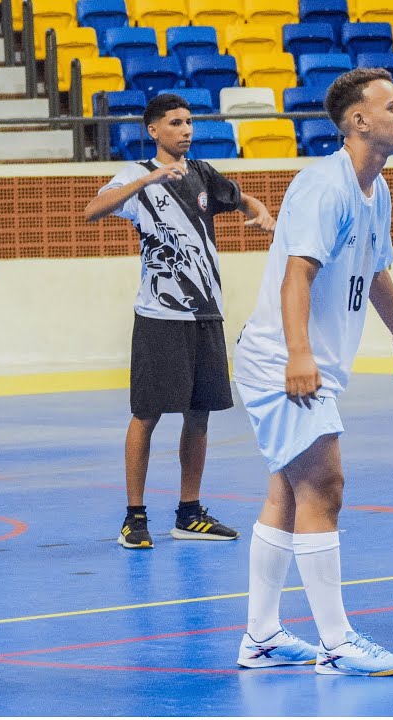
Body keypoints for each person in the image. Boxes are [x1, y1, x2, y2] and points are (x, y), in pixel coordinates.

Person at [230, 68, 393, 676]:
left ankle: (262, 637)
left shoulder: (377, 189)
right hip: (280, 360)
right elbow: (298, 274)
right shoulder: (325, 186)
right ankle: (337, 642)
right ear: (358, 121)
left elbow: (375, 269)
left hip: (300, 362)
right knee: (325, 483)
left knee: (287, 491)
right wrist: (299, 354)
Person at [84, 93, 276, 549]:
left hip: (206, 311)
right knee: (146, 414)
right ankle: (134, 517)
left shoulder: (203, 173)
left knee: (199, 413)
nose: (186, 129)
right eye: (175, 122)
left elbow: (241, 198)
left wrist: (260, 211)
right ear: (153, 130)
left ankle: (189, 513)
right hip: (160, 314)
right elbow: (93, 211)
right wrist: (148, 179)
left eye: (189, 121)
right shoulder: (136, 175)